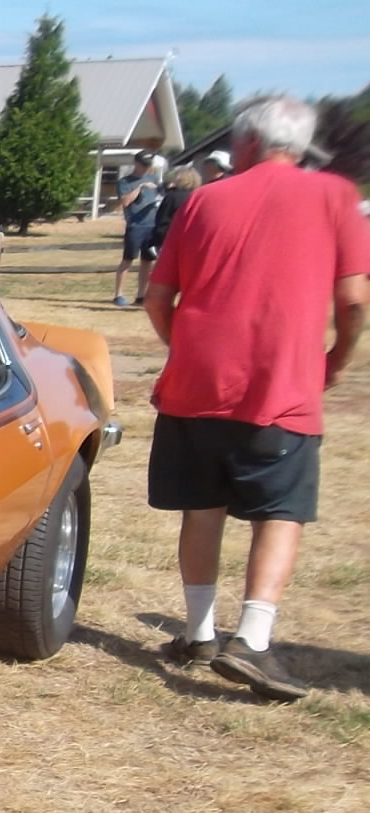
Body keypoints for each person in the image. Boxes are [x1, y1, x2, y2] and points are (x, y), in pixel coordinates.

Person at [142, 96, 370, 700]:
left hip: (196, 384)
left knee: (202, 508)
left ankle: (199, 633)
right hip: (283, 384)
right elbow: (353, 299)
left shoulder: (203, 199)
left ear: (246, 143)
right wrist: (336, 360)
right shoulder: (335, 196)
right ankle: (253, 639)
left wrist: (184, 347)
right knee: (280, 511)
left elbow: (158, 297)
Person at [113, 150, 163, 307]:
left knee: (147, 261)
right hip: (135, 226)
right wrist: (140, 187)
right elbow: (125, 202)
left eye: (148, 165)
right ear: (136, 163)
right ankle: (118, 295)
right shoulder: (124, 182)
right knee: (127, 260)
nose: (146, 168)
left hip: (151, 225)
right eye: (143, 164)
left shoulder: (154, 178)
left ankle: (141, 295)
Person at [151, 165, 202, 252]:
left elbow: (163, 221)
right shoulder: (200, 195)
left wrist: (156, 240)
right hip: (194, 241)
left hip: (172, 241)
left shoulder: (173, 197)